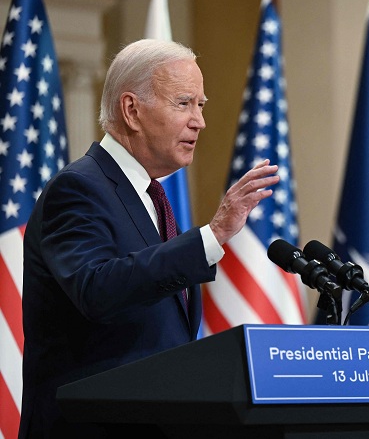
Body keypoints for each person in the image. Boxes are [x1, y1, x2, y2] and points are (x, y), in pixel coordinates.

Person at [19, 39, 280, 437]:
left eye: (201, 105)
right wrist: (213, 234)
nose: (199, 121)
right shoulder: (78, 188)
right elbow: (95, 288)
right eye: (184, 104)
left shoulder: (153, 197)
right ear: (132, 110)